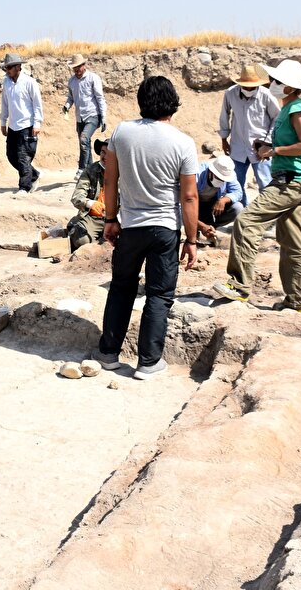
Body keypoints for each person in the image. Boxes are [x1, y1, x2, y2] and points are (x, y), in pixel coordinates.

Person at [92, 76, 199, 381]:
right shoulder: (183, 142)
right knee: (159, 294)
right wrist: (191, 240)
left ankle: (109, 353)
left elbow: (110, 181)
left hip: (131, 226)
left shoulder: (121, 133)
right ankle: (149, 362)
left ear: (141, 102)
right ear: (173, 104)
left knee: (121, 288)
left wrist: (110, 219)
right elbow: (189, 196)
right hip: (165, 228)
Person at [218, 59, 301, 313]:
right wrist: (267, 148)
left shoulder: (296, 109)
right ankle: (298, 300)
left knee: (246, 221)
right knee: (292, 240)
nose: (271, 84)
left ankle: (239, 285)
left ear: (288, 86)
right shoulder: (288, 108)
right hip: (290, 179)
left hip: (290, 182)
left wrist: (274, 150)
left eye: (276, 81)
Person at [218, 64, 279, 204]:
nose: (249, 90)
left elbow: (277, 118)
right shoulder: (230, 93)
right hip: (238, 146)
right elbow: (224, 115)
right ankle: (243, 217)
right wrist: (223, 139)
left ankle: (268, 221)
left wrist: (267, 143)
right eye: (246, 87)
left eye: (252, 87)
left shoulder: (266, 95)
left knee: (266, 185)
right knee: (236, 186)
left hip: (261, 149)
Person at [0, 53, 45, 194]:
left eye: (10, 68)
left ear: (18, 67)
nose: (7, 71)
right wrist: (3, 121)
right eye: (6, 68)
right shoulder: (6, 83)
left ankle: (24, 187)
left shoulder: (29, 82)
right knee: (11, 155)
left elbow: (37, 104)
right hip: (13, 125)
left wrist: (37, 123)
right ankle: (35, 175)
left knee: (23, 156)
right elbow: (5, 104)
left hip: (27, 125)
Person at [61, 55, 108, 177]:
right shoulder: (71, 81)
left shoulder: (93, 78)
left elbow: (100, 98)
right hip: (79, 118)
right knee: (84, 143)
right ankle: (91, 172)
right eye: (74, 68)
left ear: (84, 65)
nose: (76, 70)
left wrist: (103, 117)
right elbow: (71, 98)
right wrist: (67, 106)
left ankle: (81, 169)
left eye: (78, 67)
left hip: (93, 115)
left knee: (84, 139)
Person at [67, 138, 108, 249]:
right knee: (81, 241)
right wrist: (91, 204)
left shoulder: (124, 172)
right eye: (103, 152)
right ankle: (76, 226)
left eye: (109, 153)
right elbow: (77, 196)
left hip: (117, 219)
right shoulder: (91, 170)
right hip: (92, 218)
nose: (105, 157)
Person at [194, 156, 244, 243]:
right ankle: (194, 230)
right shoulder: (197, 174)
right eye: (218, 178)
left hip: (212, 206)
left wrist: (224, 200)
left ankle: (211, 228)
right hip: (194, 206)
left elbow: (238, 192)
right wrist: (201, 225)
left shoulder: (229, 174)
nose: (221, 180)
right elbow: (182, 206)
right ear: (211, 171)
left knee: (238, 208)